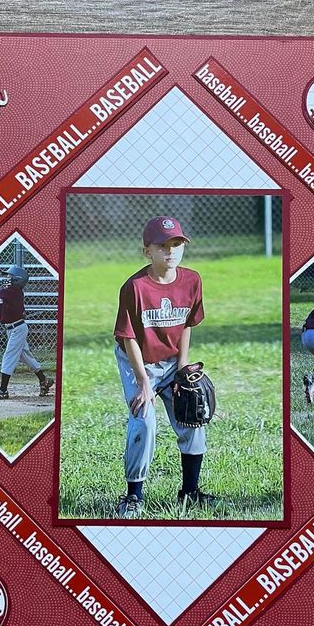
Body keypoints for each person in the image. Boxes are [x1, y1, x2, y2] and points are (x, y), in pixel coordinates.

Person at [113, 216, 215, 519]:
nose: (171, 251)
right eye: (162, 246)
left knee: (194, 413)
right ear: (148, 252)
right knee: (144, 419)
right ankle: (133, 496)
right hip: (138, 361)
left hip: (172, 361)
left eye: (177, 244)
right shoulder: (135, 287)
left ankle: (190, 491)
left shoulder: (192, 280)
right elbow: (128, 337)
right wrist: (144, 382)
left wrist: (182, 365)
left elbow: (187, 324)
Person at [0, 265, 53, 400]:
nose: (6, 278)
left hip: (17, 328)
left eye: (9, 276)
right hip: (11, 329)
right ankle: (44, 380)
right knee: (25, 356)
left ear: (17, 280)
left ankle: (3, 390)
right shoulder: (6, 294)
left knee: (9, 356)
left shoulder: (14, 292)